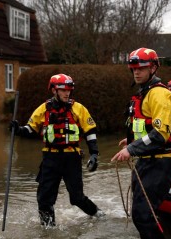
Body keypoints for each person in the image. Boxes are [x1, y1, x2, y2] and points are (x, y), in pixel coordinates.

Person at [111, 47, 171, 239]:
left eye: (141, 68)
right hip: (147, 161)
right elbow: (146, 128)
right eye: (133, 69)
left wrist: (131, 148)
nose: (136, 73)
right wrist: (131, 140)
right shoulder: (144, 93)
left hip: (161, 162)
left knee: (142, 214)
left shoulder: (158, 94)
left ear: (153, 68)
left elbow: (160, 133)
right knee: (140, 214)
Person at [10, 73, 102, 227]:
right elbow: (30, 129)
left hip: (71, 158)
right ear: (54, 90)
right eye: (63, 90)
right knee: (44, 199)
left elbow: (90, 131)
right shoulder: (43, 109)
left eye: (69, 90)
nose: (67, 93)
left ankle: (98, 214)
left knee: (76, 198)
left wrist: (94, 154)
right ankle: (48, 233)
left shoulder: (78, 108)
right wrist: (17, 129)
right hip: (50, 159)